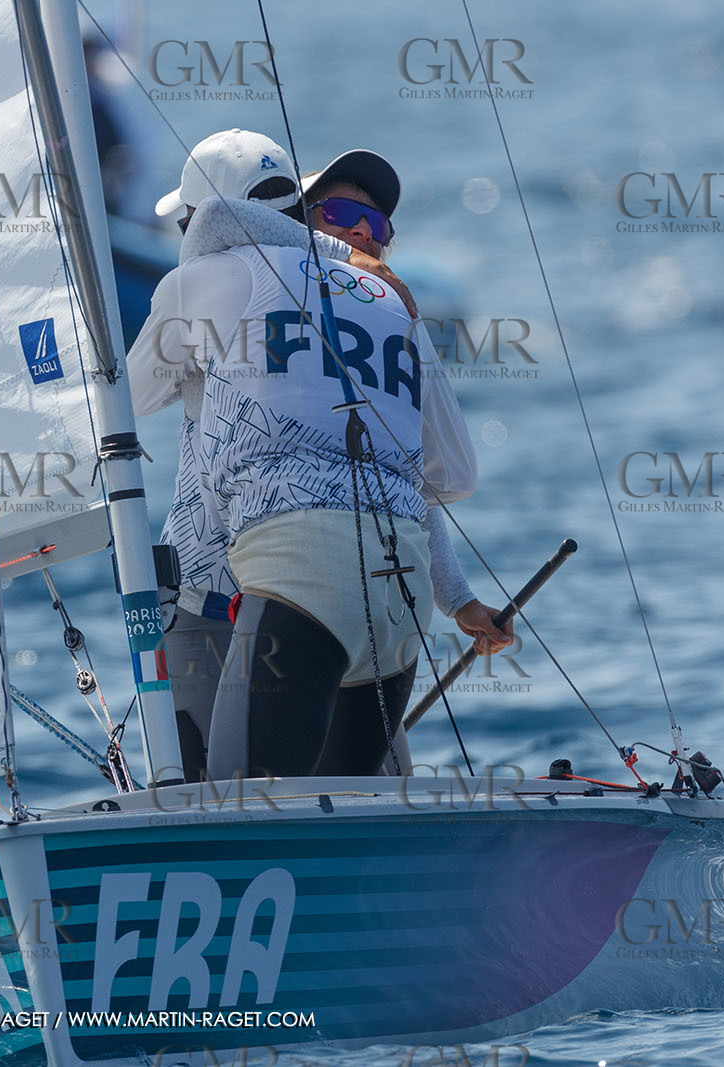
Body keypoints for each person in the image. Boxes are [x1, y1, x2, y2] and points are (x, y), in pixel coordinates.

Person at [128, 131, 508, 781]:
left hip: (262, 586)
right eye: (338, 215)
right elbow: (436, 477)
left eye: (375, 222)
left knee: (236, 807)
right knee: (361, 813)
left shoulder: (215, 277)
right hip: (389, 591)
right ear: (296, 215)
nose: (360, 231)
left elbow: (125, 398)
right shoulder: (392, 301)